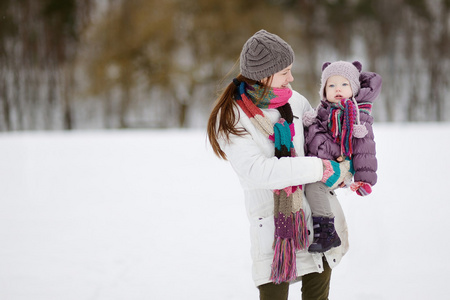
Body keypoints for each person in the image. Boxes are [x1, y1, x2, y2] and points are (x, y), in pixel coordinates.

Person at [207, 29, 354, 300]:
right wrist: (319, 167)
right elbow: (258, 171)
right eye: (285, 71)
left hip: (317, 224)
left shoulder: (295, 101)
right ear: (265, 74)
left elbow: (320, 140)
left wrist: (345, 160)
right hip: (276, 232)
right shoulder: (232, 117)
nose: (292, 78)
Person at [303, 61, 382, 253]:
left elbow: (365, 149)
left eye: (344, 84)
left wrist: (364, 180)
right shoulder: (323, 111)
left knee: (315, 186)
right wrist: (310, 122)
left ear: (353, 88)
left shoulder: (358, 116)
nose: (337, 88)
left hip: (342, 164)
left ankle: (327, 231)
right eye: (331, 85)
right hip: (324, 160)